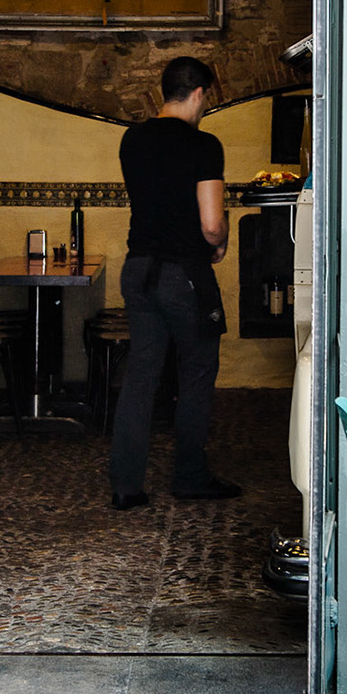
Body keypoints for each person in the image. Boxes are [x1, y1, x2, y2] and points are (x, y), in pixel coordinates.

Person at [108, 56, 239, 510]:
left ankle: (126, 486)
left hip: (138, 269)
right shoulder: (204, 145)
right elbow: (209, 224)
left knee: (141, 376)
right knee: (197, 373)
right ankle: (190, 476)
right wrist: (220, 243)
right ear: (200, 93)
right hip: (183, 274)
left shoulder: (132, 139)